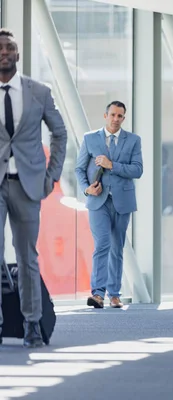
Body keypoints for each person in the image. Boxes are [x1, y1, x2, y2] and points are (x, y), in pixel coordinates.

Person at [0, 29, 67, 347]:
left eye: (9, 47)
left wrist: (51, 176)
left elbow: (60, 133)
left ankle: (31, 326)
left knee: (27, 256)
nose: (4, 51)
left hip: (27, 185)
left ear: (17, 53)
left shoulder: (38, 92)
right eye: (0, 47)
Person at [75, 101, 143, 309]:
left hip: (122, 201)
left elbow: (137, 170)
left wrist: (111, 165)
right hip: (98, 201)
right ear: (105, 116)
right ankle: (97, 294)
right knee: (102, 243)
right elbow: (79, 169)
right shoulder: (89, 138)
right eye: (113, 115)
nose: (116, 119)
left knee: (117, 247)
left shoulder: (133, 140)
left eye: (120, 116)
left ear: (124, 118)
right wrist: (87, 189)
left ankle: (114, 294)